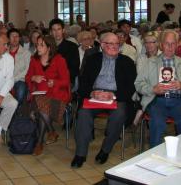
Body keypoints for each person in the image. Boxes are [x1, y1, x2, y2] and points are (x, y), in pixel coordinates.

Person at [71, 32, 137, 168]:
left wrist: (112, 96)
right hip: (94, 96)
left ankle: (105, 150)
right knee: (83, 113)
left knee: (119, 114)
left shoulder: (127, 62)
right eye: (110, 43)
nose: (114, 46)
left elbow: (131, 88)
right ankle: (80, 154)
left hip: (117, 97)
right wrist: (92, 92)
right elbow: (83, 83)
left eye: (116, 44)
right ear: (102, 45)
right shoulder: (92, 59)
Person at [134, 30, 181, 148]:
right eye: (167, 43)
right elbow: (138, 84)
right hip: (157, 100)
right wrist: (153, 89)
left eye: (173, 43)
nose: (170, 47)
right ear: (161, 44)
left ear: (177, 45)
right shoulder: (151, 62)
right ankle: (155, 156)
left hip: (179, 99)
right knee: (157, 124)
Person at [26, 35, 70, 156]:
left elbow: (66, 81)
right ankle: (51, 132)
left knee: (40, 108)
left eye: (41, 45)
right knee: (40, 104)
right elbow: (28, 77)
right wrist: (34, 78)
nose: (38, 47)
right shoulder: (34, 60)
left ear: (49, 48)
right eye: (37, 45)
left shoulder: (59, 59)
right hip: (40, 94)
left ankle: (40, 142)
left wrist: (54, 82)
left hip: (56, 95)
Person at [50, 19, 80, 89]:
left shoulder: (72, 46)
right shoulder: (47, 47)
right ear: (51, 32)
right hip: (50, 79)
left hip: (66, 79)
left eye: (59, 29)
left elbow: (74, 69)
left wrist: (58, 80)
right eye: (54, 30)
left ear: (63, 30)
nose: (56, 32)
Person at [8, 28, 31, 105]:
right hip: (5, 79)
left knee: (20, 92)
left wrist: (14, 79)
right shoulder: (4, 53)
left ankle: (14, 111)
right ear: (8, 38)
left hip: (20, 79)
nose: (15, 38)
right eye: (12, 36)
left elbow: (27, 70)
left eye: (17, 36)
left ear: (19, 38)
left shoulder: (26, 53)